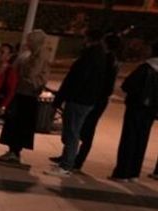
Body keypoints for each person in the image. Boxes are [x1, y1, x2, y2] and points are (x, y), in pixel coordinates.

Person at [48, 30, 113, 177]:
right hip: (85, 100)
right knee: (72, 131)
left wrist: (64, 97)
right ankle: (66, 162)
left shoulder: (91, 56)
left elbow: (76, 79)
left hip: (79, 100)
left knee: (72, 132)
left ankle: (66, 165)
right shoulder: (99, 55)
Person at [0, 29, 49, 166]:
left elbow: (31, 74)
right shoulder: (28, 54)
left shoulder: (38, 56)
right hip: (21, 93)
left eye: (30, 40)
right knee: (15, 123)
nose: (27, 42)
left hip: (27, 95)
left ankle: (14, 151)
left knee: (20, 124)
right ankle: (12, 150)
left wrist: (20, 77)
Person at [72, 33, 121, 174]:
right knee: (85, 128)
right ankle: (73, 157)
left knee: (86, 129)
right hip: (100, 99)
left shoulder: (107, 59)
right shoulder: (113, 59)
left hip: (96, 99)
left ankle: (77, 160)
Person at [113, 42, 158, 184]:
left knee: (129, 139)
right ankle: (134, 173)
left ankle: (122, 172)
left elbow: (127, 85)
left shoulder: (145, 68)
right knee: (142, 140)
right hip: (151, 111)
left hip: (136, 107)